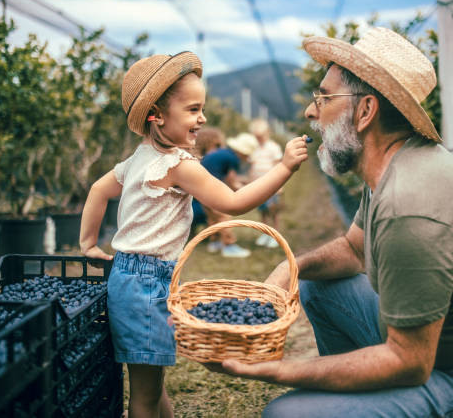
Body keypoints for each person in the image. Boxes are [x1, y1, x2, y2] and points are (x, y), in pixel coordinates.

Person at [205, 28, 453, 418]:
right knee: (318, 285)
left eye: (324, 98)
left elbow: (409, 362)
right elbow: (354, 250)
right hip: (442, 352)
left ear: (366, 111)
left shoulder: (411, 203)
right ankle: (357, 397)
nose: (310, 112)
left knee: (287, 414)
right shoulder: (392, 169)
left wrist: (278, 369)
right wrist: (290, 267)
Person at [79, 51, 309, 418]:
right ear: (156, 115)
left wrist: (88, 243)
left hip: (128, 278)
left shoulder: (135, 160)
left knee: (151, 384)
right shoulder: (179, 165)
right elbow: (234, 203)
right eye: (192, 109)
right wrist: (283, 168)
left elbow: (97, 191)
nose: (202, 118)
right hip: (148, 284)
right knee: (143, 395)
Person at [200, 132, 259, 258]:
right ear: (242, 152)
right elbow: (231, 181)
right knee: (223, 217)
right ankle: (229, 246)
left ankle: (214, 242)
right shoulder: (233, 159)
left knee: (212, 217)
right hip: (211, 190)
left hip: (200, 189)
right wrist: (243, 189)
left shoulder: (223, 153)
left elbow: (225, 176)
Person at [249, 118, 283, 249]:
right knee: (262, 210)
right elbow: (252, 167)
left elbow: (278, 167)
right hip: (258, 185)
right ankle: (265, 234)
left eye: (260, 136)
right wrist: (250, 182)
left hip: (271, 186)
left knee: (273, 210)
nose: (259, 139)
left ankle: (275, 234)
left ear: (267, 133)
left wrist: (279, 186)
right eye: (256, 137)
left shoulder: (273, 147)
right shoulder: (254, 149)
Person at [190, 127, 225, 236]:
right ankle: (220, 239)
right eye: (218, 146)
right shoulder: (209, 163)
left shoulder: (192, 160)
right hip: (198, 208)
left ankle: (192, 233)